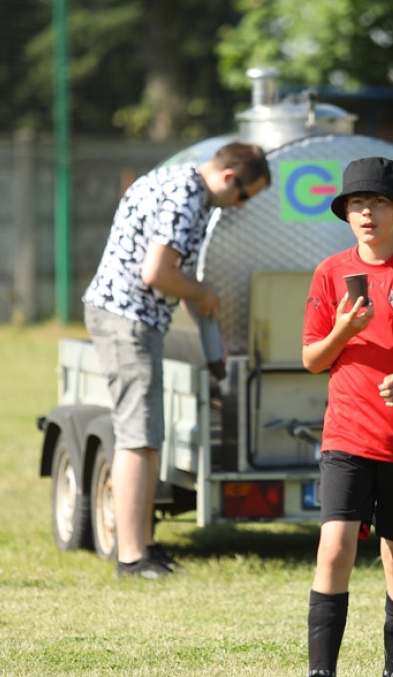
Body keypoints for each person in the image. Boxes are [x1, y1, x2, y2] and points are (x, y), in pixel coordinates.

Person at [83, 141, 271, 579]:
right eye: (243, 195)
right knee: (138, 437)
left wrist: (197, 300)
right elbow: (157, 273)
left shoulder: (175, 181)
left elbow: (168, 270)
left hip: (131, 318)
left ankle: (146, 545)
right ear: (229, 177)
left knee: (149, 436)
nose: (240, 206)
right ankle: (132, 557)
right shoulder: (186, 195)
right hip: (128, 319)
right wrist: (202, 291)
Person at [301, 156, 393, 676]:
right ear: (345, 213)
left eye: (379, 202)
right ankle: (321, 671)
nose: (367, 212)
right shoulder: (330, 273)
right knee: (334, 548)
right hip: (346, 436)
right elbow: (312, 359)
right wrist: (343, 330)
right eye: (358, 203)